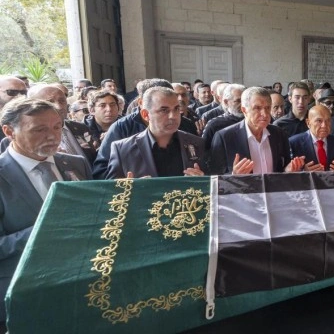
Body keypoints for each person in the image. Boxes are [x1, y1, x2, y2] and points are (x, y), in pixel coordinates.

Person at [0, 99, 91, 322]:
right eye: (39, 129)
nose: (52, 136)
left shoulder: (76, 163)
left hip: (83, 282)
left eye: (57, 127)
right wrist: (46, 230)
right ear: (9, 131)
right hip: (24, 290)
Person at [106, 87, 206, 179]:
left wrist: (203, 181)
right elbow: (110, 190)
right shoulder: (123, 149)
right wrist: (131, 188)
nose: (173, 116)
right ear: (145, 115)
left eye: (176, 109)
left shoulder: (196, 144)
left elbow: (211, 184)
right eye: (164, 110)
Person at [209, 87, 305, 175]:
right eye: (257, 108)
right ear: (244, 110)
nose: (264, 114)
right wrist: (233, 175)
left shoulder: (279, 134)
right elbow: (214, 177)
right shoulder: (225, 137)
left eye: (267, 108)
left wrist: (288, 170)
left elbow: (282, 168)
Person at [289, 105, 334, 171]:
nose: (324, 125)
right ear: (308, 123)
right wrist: (303, 172)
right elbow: (287, 174)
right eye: (319, 121)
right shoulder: (294, 143)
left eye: (328, 120)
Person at [201, 84, 245, 150]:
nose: (242, 105)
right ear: (226, 102)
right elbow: (204, 150)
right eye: (238, 101)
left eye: (244, 101)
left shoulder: (252, 121)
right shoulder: (214, 125)